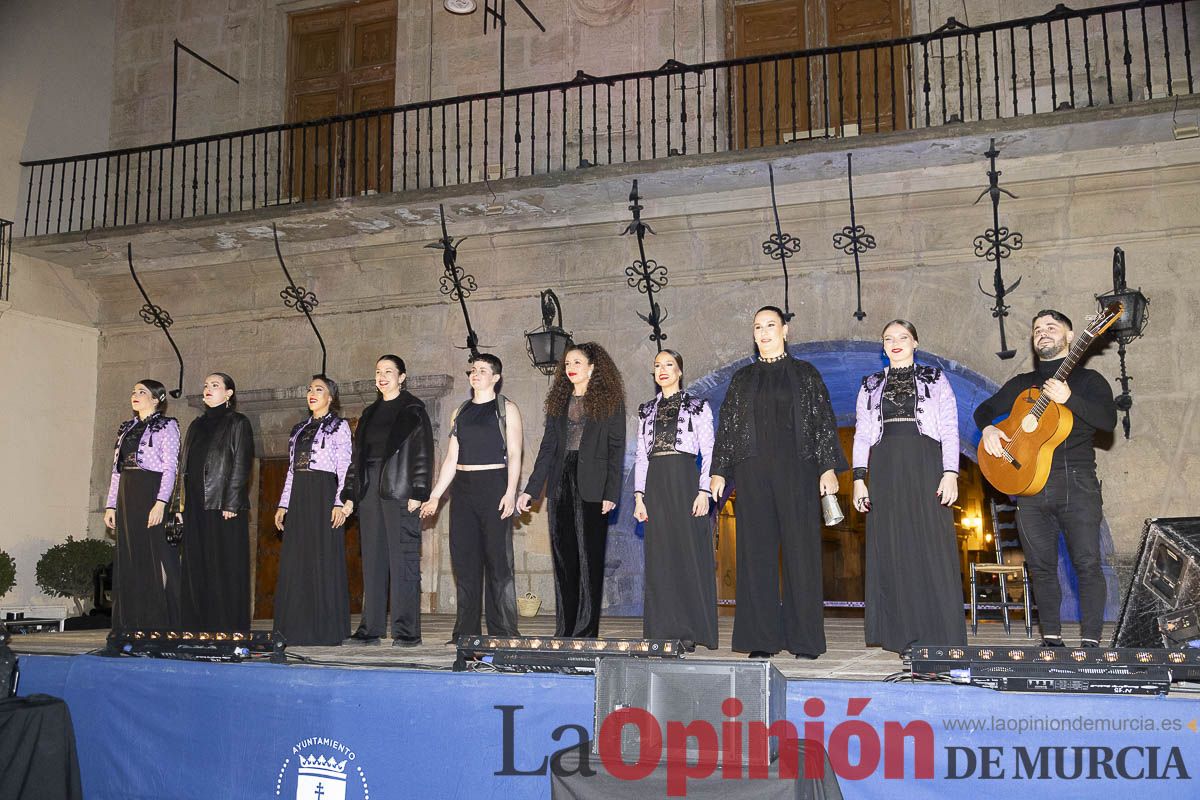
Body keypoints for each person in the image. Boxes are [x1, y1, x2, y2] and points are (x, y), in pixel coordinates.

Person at [710, 306, 847, 660]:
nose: (764, 332)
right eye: (758, 327)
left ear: (785, 330)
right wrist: (719, 470)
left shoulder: (806, 374)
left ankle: (805, 641)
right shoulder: (741, 379)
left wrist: (827, 468)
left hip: (798, 470)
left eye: (771, 325)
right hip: (752, 473)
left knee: (802, 552)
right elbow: (727, 426)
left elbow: (823, 421)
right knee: (755, 553)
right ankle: (762, 639)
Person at [975, 309, 1116, 648]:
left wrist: (1069, 399)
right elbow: (983, 410)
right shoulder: (1022, 384)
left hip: (1076, 482)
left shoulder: (1089, 381)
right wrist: (989, 429)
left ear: (1071, 336)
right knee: (1040, 566)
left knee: (1087, 563)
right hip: (1029, 486)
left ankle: (1090, 642)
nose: (1043, 332)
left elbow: (1108, 421)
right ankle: (1051, 639)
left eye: (1052, 327)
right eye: (1037, 328)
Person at [852, 320, 966, 655]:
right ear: (883, 345)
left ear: (915, 342)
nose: (895, 342)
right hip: (885, 467)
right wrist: (858, 479)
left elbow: (950, 427)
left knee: (930, 544)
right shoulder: (870, 383)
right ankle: (903, 636)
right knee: (893, 546)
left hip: (926, 463)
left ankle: (939, 633)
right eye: (888, 338)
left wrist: (950, 472)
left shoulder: (935, 377)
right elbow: (862, 433)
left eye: (903, 337)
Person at [517, 342, 626, 638]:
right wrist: (530, 490)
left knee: (589, 558)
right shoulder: (558, 403)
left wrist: (611, 493)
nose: (570, 367)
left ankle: (586, 631)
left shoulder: (610, 402)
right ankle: (565, 629)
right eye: (567, 363)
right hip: (560, 481)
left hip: (593, 484)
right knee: (564, 557)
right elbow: (547, 449)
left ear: (592, 367)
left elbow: (616, 450)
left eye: (577, 362)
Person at [421, 353, 522, 641]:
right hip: (463, 489)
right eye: (473, 370)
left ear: (496, 377)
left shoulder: (507, 409)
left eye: (482, 370)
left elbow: (515, 453)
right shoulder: (460, 411)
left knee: (498, 562)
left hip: (494, 485)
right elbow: (451, 458)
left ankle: (502, 631)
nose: (475, 374)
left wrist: (510, 492)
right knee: (464, 561)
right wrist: (435, 496)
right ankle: (466, 632)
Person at [342, 355, 433, 647]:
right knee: (373, 560)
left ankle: (406, 630)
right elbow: (356, 458)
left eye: (388, 371)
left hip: (401, 489)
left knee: (404, 560)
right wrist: (349, 495)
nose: (382, 376)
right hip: (370, 490)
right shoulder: (369, 413)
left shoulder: (413, 410)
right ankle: (371, 628)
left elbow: (423, 454)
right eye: (378, 371)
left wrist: (419, 492)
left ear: (402, 377)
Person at [632, 349, 718, 651]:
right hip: (655, 486)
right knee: (660, 558)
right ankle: (661, 630)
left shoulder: (697, 405)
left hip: (685, 483)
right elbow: (641, 457)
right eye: (657, 365)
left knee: (686, 555)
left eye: (669, 364)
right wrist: (639, 497)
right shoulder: (646, 411)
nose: (662, 370)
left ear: (679, 371)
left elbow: (709, 450)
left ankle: (688, 630)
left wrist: (704, 490)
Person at [272, 375, 353, 646]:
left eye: (319, 389)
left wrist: (340, 502)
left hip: (323, 493)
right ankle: (295, 626)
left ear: (331, 397)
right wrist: (283, 504)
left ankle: (324, 628)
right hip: (299, 495)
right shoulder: (298, 429)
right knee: (297, 559)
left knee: (322, 557)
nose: (312, 393)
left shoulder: (339, 426)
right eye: (309, 389)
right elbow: (291, 471)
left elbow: (345, 466)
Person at [176, 372, 255, 631]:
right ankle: (196, 625)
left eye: (215, 385)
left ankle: (226, 625)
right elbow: (184, 468)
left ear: (229, 393)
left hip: (223, 505)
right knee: (196, 565)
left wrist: (232, 502)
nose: (208, 389)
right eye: (206, 385)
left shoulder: (238, 423)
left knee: (223, 565)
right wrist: (180, 505)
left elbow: (242, 463)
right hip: (195, 505)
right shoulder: (196, 425)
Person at [104, 380, 181, 630]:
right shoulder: (126, 427)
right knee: (130, 554)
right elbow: (116, 471)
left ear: (157, 399)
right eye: (133, 391)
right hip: (127, 494)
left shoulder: (167, 425)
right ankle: (131, 620)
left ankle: (161, 620)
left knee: (157, 553)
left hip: (151, 490)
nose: (135, 395)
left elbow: (170, 469)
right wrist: (111, 505)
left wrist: (161, 502)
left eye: (142, 392)